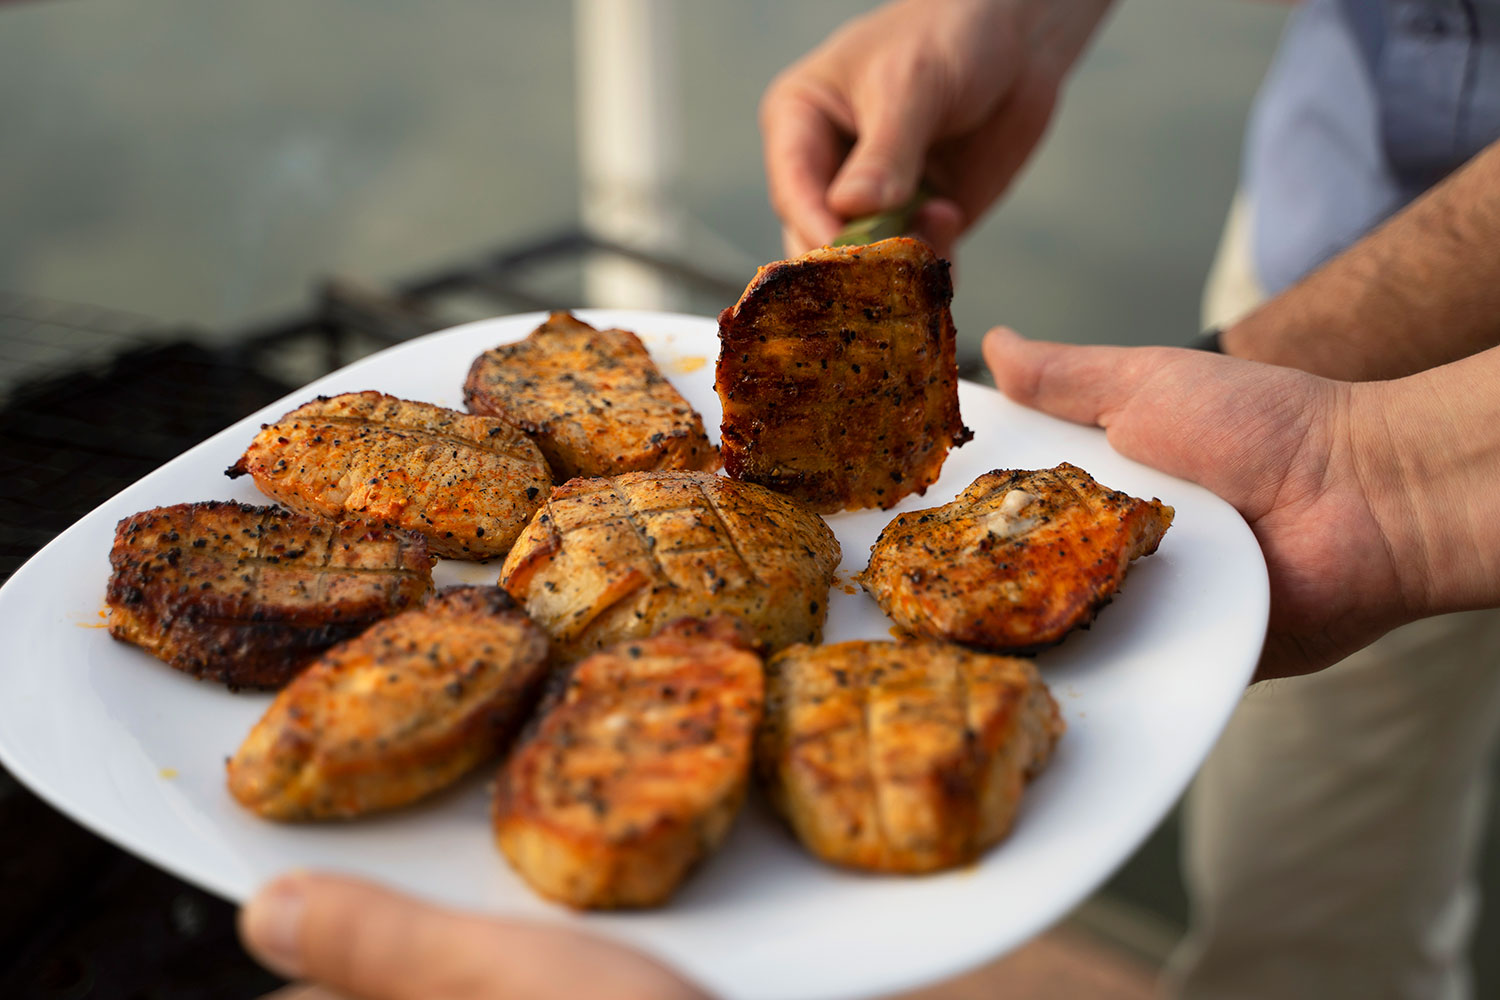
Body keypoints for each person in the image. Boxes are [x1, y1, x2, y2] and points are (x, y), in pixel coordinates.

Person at [237, 1, 1500, 996]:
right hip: (1335, 192)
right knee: (1304, 836)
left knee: (1338, 909)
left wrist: (1391, 474)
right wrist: (1015, 19)